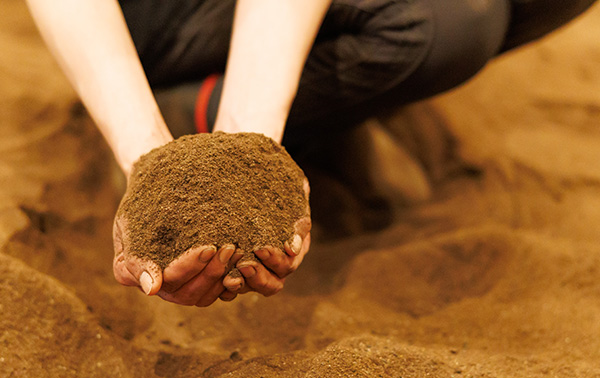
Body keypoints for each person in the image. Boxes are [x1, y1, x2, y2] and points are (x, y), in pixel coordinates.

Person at [25, 0, 597, 307]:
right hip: (140, 18)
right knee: (445, 23)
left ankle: (313, 104)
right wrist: (146, 153)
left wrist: (252, 140)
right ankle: (187, 107)